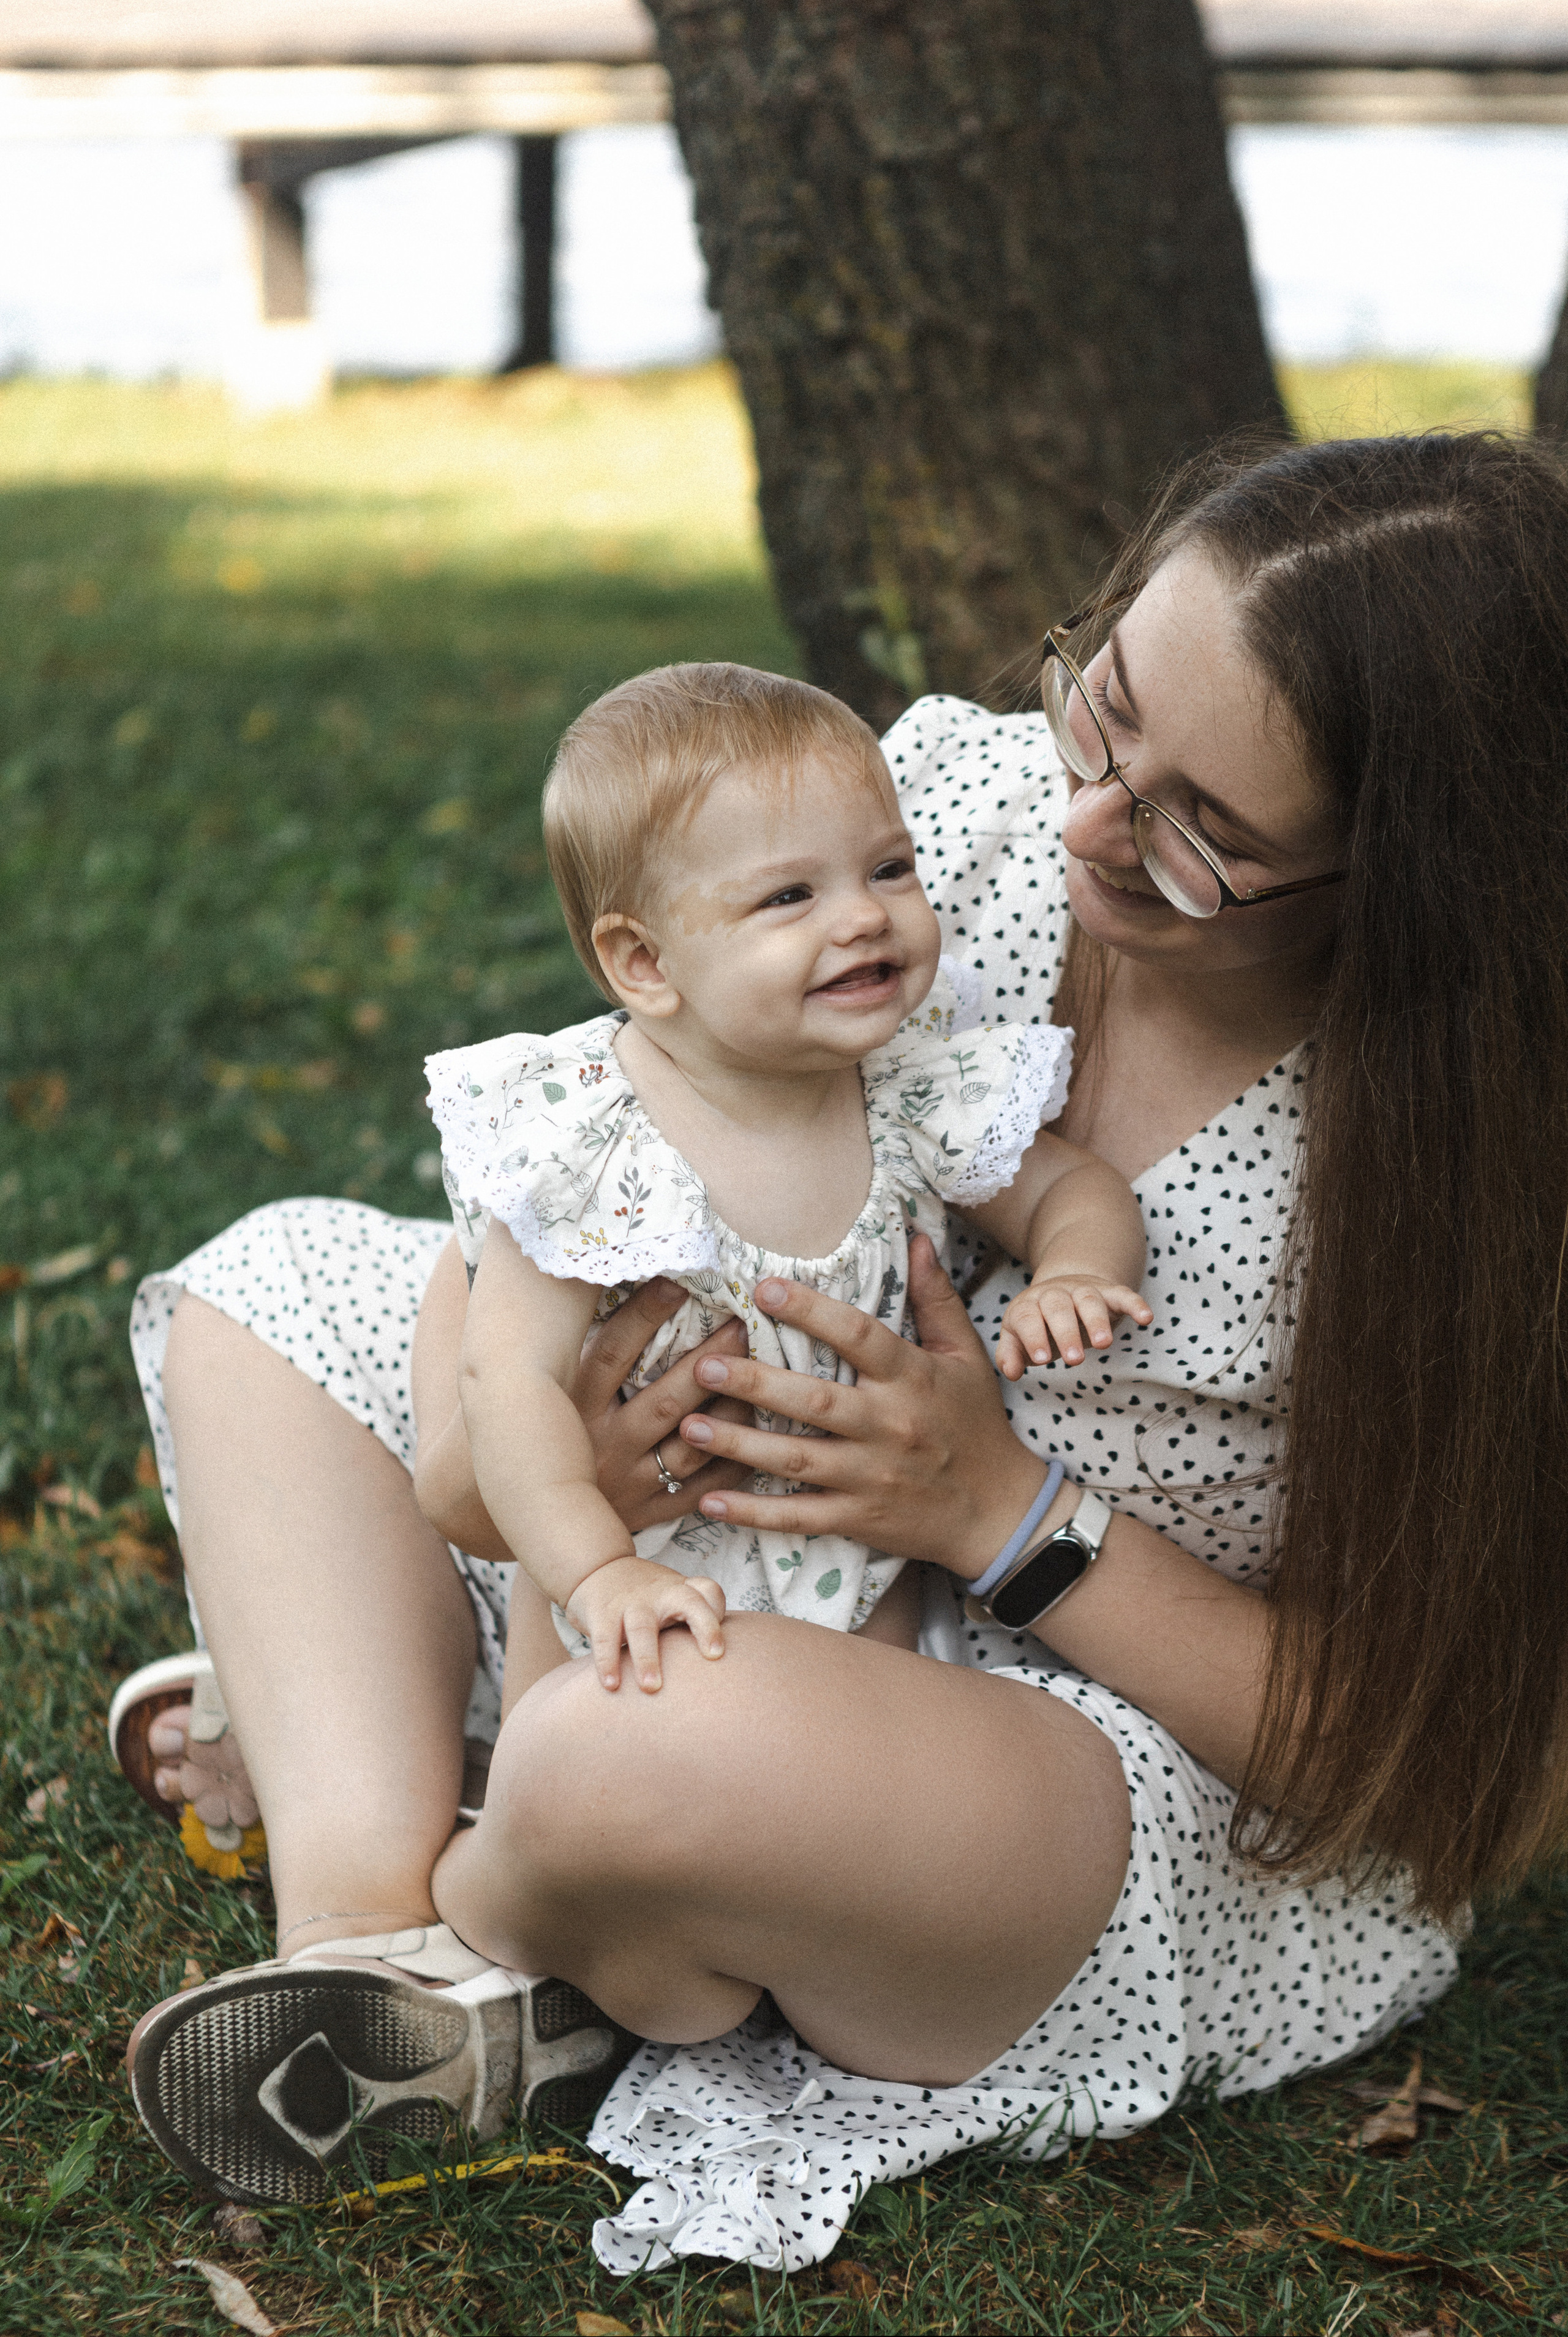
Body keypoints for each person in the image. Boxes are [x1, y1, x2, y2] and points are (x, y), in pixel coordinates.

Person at [118, 431, 1568, 2272]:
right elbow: (570, 1173)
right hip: (713, 1554)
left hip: (1068, 1747)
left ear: (1417, 880)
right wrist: (527, 1463)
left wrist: (1005, 1515)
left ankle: (495, 1832)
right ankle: (382, 1963)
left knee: (622, 1752)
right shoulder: (950, 812)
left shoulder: (1472, 1183)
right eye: (1104, 710)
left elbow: (1444, 1773)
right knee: (275, 1288)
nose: (1090, 828)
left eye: (1208, 832)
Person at [428, 660, 1148, 1715]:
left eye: (891, 869)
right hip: (635, 1562)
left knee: (865, 1763)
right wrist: (594, 1570)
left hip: (856, 1566)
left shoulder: (904, 1087)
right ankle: (519, 1849)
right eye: (791, 895)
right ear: (645, 964)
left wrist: (1076, 1270)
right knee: (591, 1758)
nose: (863, 917)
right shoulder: (591, 1139)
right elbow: (509, 1384)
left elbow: (1066, 1191)